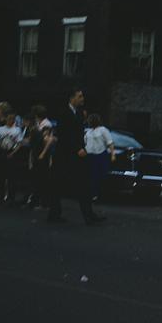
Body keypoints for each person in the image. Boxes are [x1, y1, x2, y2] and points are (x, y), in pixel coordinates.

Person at [47, 88, 105, 225]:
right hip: (64, 155)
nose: (82, 98)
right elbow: (64, 135)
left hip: (77, 155)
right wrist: (77, 148)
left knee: (84, 185)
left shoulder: (79, 113)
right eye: (79, 96)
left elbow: (79, 134)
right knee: (57, 185)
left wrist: (83, 148)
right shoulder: (63, 113)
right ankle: (54, 214)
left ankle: (89, 216)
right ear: (72, 98)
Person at [0, 112, 23, 205]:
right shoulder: (0, 129)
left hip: (11, 153)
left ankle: (11, 198)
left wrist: (13, 153)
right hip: (1, 153)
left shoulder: (17, 130)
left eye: (13, 119)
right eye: (9, 119)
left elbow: (19, 144)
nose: (11, 121)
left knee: (11, 178)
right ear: (6, 119)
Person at [84, 113, 115, 201]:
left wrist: (113, 154)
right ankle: (91, 194)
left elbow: (110, 142)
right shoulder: (88, 131)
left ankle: (97, 195)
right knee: (89, 176)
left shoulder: (103, 130)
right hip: (89, 156)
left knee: (98, 176)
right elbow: (85, 143)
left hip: (100, 155)